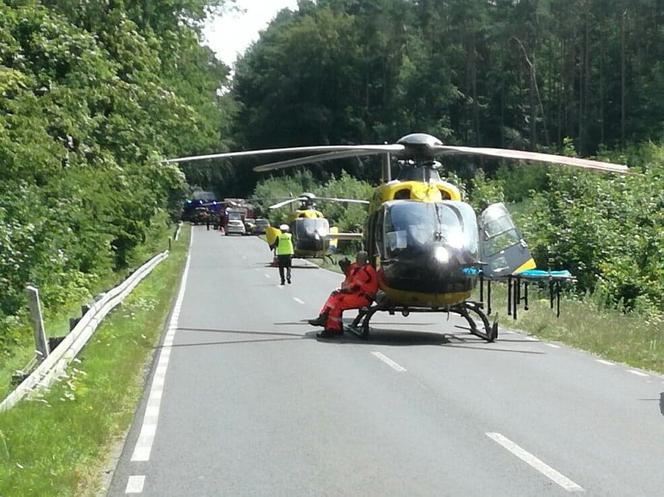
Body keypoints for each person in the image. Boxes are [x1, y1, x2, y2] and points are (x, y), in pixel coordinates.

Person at [308, 251, 379, 338]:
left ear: (365, 260)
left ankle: (332, 328)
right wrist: (346, 267)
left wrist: (343, 290)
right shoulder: (356, 267)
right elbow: (349, 273)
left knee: (337, 304)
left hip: (363, 298)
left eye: (360, 259)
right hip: (357, 295)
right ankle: (323, 316)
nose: (358, 260)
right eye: (357, 258)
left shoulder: (366, 271)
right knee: (334, 296)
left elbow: (355, 287)